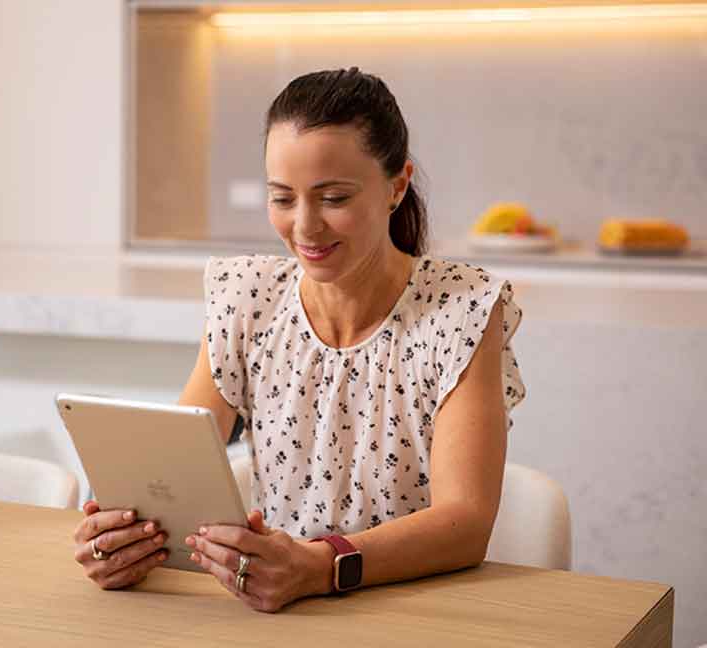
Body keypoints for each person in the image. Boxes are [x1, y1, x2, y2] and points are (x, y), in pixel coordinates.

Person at [72, 67, 526, 612]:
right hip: (276, 616)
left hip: (414, 612)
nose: (305, 228)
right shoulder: (246, 297)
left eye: (333, 197)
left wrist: (320, 565)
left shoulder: (463, 310)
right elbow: (168, 479)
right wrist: (123, 541)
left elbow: (465, 525)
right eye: (283, 198)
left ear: (397, 186)